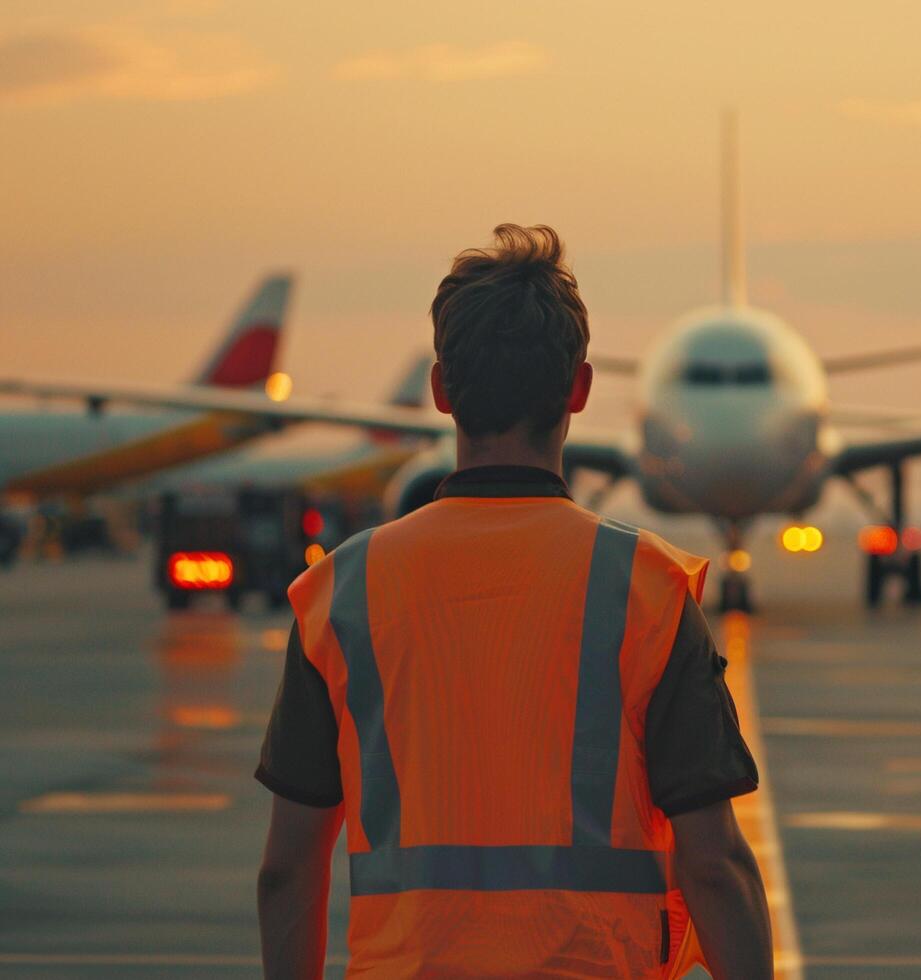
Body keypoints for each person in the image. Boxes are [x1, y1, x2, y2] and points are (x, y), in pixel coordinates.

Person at [254, 224, 773, 978]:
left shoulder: (343, 590)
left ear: (440, 390)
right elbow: (714, 863)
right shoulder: (648, 590)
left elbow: (288, 867)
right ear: (580, 389)